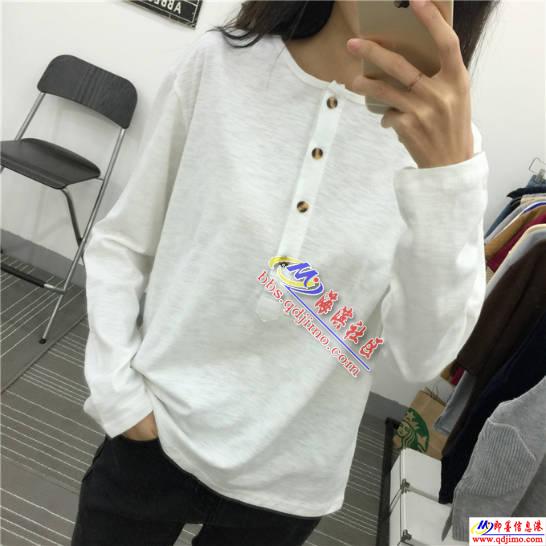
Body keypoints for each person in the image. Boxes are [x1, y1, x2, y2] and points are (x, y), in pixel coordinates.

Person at [71, 1, 499, 544]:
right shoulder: (220, 65)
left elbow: (421, 355)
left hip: (289, 477)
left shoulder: (448, 154)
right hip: (156, 425)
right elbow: (125, 243)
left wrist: (448, 181)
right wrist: (118, 393)